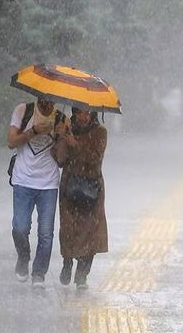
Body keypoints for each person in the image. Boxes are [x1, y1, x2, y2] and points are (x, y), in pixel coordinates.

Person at [7, 97, 67, 288]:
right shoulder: (23, 111)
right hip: (23, 181)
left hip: (48, 183)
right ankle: (23, 257)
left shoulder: (61, 118)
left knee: (46, 232)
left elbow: (63, 159)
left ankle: (39, 273)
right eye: (45, 99)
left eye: (52, 100)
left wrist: (61, 137)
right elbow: (11, 142)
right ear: (39, 96)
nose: (48, 104)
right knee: (20, 227)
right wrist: (33, 131)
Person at [52, 107, 108, 290]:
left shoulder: (100, 132)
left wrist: (74, 143)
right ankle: (67, 262)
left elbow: (94, 158)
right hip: (70, 186)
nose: (83, 116)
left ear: (93, 114)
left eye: (87, 112)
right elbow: (60, 160)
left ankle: (82, 274)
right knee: (68, 228)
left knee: (91, 232)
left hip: (92, 187)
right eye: (79, 112)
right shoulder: (68, 128)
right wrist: (60, 137)